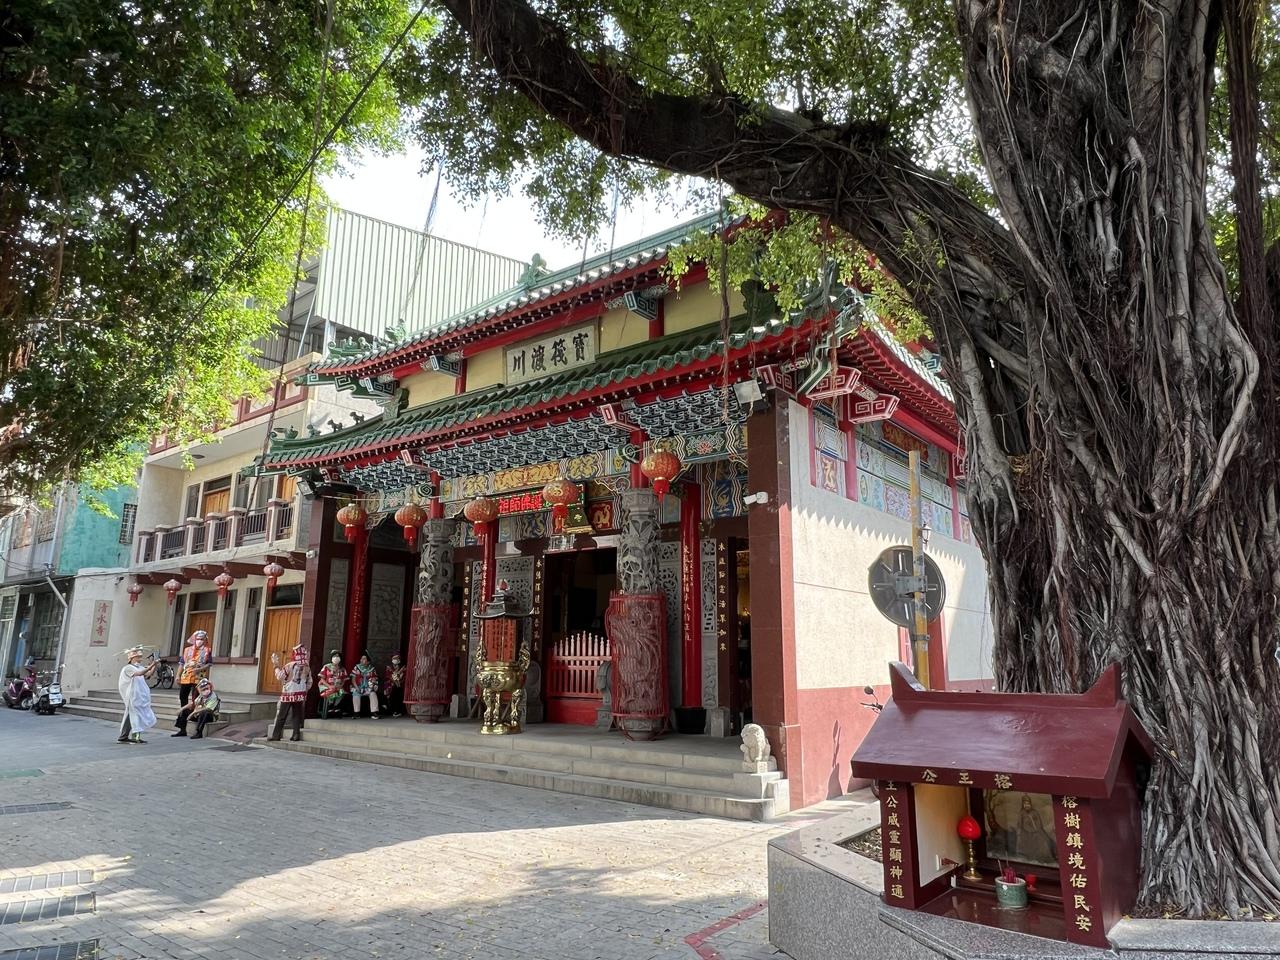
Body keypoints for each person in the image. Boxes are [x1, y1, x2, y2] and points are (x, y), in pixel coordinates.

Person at [268, 643, 312, 742]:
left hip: (288, 693)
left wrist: (276, 666)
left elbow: (280, 676)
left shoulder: (289, 665)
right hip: (300, 694)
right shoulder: (307, 667)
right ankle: (296, 735)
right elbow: (309, 682)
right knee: (296, 714)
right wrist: (304, 690)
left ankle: (276, 735)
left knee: (282, 715)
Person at [117, 646, 157, 744]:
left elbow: (148, 674)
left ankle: (127, 737)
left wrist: (154, 665)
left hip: (140, 695)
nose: (140, 658)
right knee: (134, 715)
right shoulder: (128, 668)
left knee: (135, 715)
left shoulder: (140, 667)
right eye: (138, 657)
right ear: (132, 658)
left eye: (140, 657)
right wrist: (151, 665)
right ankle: (130, 737)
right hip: (132, 696)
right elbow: (139, 673)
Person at [176, 630, 211, 707]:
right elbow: (182, 663)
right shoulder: (187, 649)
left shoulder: (207, 650)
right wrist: (178, 675)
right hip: (186, 676)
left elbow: (209, 664)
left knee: (196, 697)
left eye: (201, 639)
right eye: (198, 639)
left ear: (205, 640)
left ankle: (194, 712)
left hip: (199, 677)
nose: (199, 641)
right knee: (183, 696)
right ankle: (184, 712)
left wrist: (200, 670)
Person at [317, 650, 348, 718]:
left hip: (337, 687)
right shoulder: (326, 667)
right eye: (334, 656)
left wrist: (340, 686)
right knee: (331, 691)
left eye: (338, 656)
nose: (336, 658)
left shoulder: (342, 669)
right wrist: (329, 686)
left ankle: (335, 706)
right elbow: (322, 679)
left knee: (342, 692)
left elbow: (344, 680)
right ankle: (329, 706)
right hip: (326, 686)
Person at [349, 653, 380, 718]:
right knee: (355, 694)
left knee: (373, 694)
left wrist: (372, 685)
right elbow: (353, 679)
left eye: (364, 658)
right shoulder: (357, 667)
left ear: (368, 661)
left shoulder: (372, 669)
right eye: (361, 658)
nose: (361, 660)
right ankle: (356, 713)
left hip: (368, 687)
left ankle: (374, 712)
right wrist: (357, 688)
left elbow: (375, 679)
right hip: (358, 687)